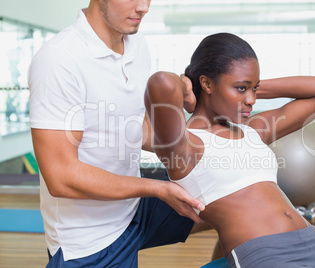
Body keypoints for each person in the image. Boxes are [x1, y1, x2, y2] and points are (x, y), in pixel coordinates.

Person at [144, 32, 315, 267]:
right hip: (265, 255)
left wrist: (249, 85)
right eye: (241, 89)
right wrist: (188, 91)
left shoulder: (254, 130)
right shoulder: (183, 145)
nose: (252, 100)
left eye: (253, 89)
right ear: (207, 84)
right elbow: (161, 83)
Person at [28, 0, 208, 267]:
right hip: (89, 243)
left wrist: (202, 141)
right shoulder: (59, 59)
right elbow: (61, 178)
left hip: (133, 210)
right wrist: (158, 189)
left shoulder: (138, 45)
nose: (144, 7)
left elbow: (135, 130)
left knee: (232, 205)